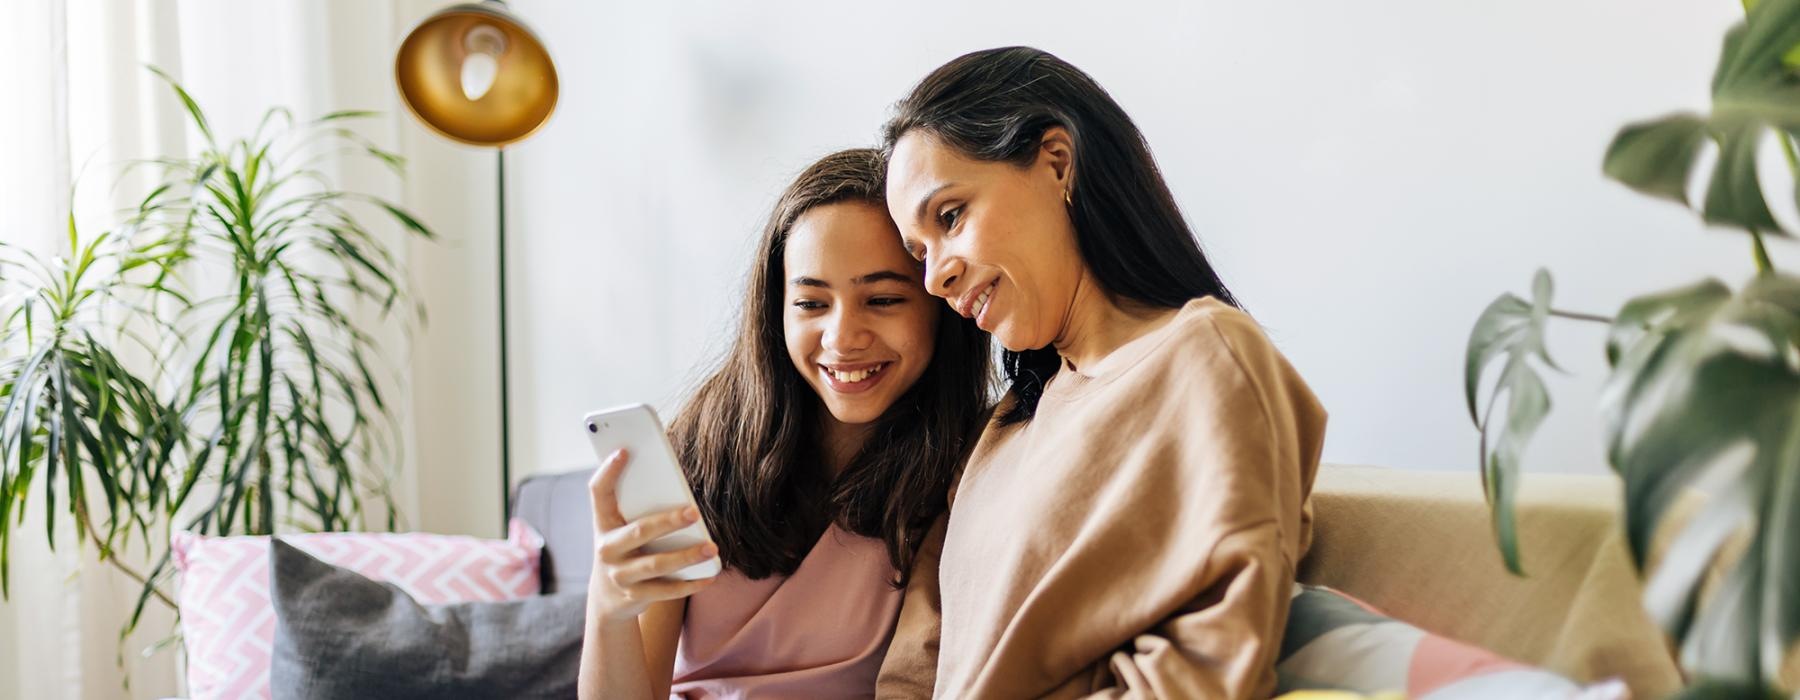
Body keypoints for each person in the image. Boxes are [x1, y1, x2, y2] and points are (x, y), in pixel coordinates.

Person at [877, 47, 1329, 699]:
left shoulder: (1205, 357)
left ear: (1057, 163)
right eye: (918, 253)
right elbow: (918, 661)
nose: (935, 276)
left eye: (950, 217)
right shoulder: (1005, 427)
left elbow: (1205, 668)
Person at [576, 148, 991, 699]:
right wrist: (608, 608)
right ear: (777, 311)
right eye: (812, 304)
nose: (843, 338)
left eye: (884, 298)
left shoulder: (972, 468)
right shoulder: (700, 451)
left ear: (940, 304)